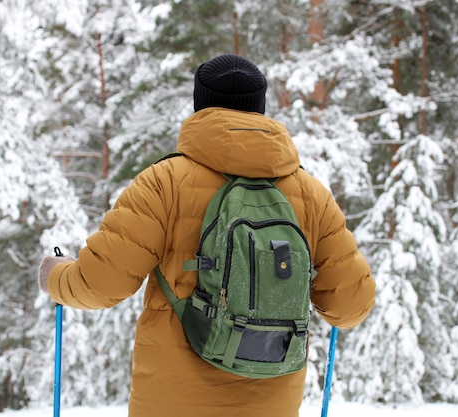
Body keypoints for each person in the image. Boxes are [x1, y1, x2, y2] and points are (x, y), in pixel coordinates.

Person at [38, 54, 376, 417]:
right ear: (260, 108)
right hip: (270, 404)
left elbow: (100, 284)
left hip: (170, 403)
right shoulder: (310, 194)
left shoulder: (164, 182)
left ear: (200, 105)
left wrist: (55, 275)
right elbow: (351, 306)